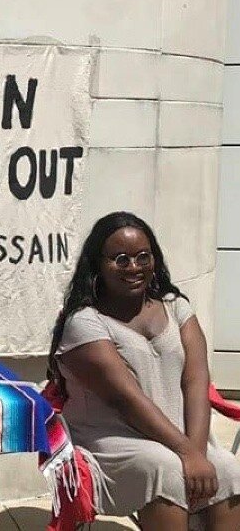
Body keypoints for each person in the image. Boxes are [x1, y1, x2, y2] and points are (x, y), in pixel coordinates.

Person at [48, 211, 240, 530]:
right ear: (98, 264)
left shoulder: (176, 306)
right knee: (165, 469)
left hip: (180, 436)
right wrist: (187, 454)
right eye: (120, 259)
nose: (134, 267)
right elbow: (125, 399)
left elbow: (196, 380)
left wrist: (196, 450)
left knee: (228, 468)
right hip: (108, 441)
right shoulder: (84, 322)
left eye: (142, 257)